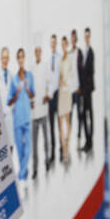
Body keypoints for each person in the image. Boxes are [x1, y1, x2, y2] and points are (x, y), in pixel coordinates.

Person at [7, 48, 34, 181]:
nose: (21, 59)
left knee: (28, 148)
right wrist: (17, 93)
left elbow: (32, 94)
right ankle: (24, 174)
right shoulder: (13, 80)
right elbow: (9, 101)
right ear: (17, 60)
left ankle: (21, 174)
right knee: (20, 150)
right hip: (17, 119)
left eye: (23, 57)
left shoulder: (30, 76)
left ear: (25, 58)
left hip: (27, 117)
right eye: (19, 57)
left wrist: (27, 88)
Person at [31, 44, 53, 177]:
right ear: (34, 53)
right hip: (34, 111)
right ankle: (35, 168)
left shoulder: (45, 66)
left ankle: (47, 161)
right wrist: (30, 101)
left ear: (41, 52)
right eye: (36, 51)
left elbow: (51, 82)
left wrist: (48, 95)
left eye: (40, 51)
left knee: (46, 139)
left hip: (43, 109)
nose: (38, 53)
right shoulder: (32, 68)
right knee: (34, 142)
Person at [56, 35, 77, 163]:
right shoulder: (60, 60)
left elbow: (72, 75)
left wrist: (65, 82)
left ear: (67, 45)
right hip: (60, 93)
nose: (63, 46)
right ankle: (63, 147)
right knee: (60, 122)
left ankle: (66, 150)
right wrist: (59, 84)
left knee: (67, 121)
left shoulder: (69, 59)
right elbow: (58, 76)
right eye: (61, 44)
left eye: (65, 44)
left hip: (67, 92)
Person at [78, 27, 95, 153]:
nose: (87, 38)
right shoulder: (84, 52)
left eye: (88, 36)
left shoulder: (91, 52)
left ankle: (90, 142)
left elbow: (90, 71)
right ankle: (87, 141)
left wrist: (85, 88)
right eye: (85, 36)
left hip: (88, 89)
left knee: (89, 114)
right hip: (84, 90)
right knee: (84, 115)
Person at [70, 28, 84, 150]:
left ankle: (79, 139)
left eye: (74, 38)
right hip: (70, 91)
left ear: (76, 39)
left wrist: (81, 87)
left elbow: (82, 72)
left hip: (78, 90)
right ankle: (69, 142)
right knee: (69, 116)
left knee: (79, 116)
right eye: (72, 38)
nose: (73, 40)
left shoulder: (79, 53)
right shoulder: (69, 54)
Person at [47, 34, 59, 166]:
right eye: (51, 43)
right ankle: (53, 155)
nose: (53, 45)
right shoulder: (48, 60)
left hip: (59, 95)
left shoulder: (60, 58)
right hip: (51, 97)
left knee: (60, 126)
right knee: (51, 127)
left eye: (54, 42)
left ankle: (62, 151)